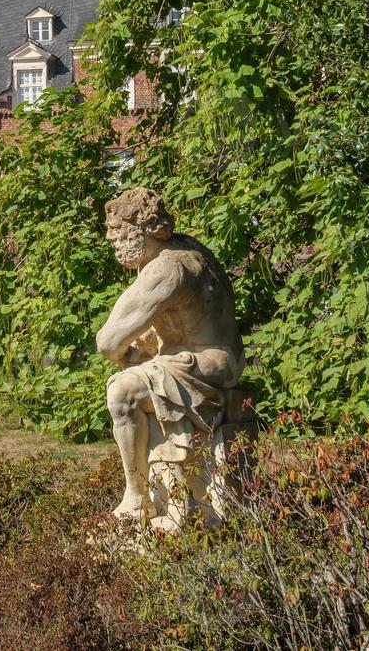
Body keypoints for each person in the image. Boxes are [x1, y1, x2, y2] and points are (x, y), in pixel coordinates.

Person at [96, 188, 244, 525]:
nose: (110, 238)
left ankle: (136, 498)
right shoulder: (188, 247)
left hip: (205, 363)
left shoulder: (166, 269)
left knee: (123, 392)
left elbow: (108, 341)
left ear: (142, 230)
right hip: (223, 358)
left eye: (117, 230)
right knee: (137, 378)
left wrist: (131, 360)